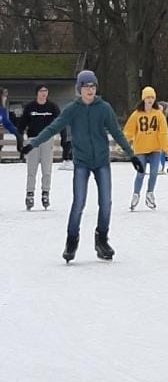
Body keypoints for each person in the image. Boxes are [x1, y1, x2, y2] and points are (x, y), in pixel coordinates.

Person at [21, 70, 144, 263]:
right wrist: (33, 143)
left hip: (102, 161)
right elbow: (53, 127)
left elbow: (117, 133)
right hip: (82, 162)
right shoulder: (72, 109)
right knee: (79, 202)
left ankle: (101, 240)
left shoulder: (104, 108)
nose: (90, 90)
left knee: (106, 202)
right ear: (80, 89)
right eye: (86, 86)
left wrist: (132, 156)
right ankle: (71, 242)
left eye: (93, 86)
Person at [123, 86, 168, 210]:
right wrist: (122, 144)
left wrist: (167, 149)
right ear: (143, 99)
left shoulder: (159, 115)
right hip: (141, 149)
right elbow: (129, 131)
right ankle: (136, 195)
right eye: (148, 97)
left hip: (155, 148)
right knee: (141, 173)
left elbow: (163, 133)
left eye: (152, 97)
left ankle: (150, 194)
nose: (150, 100)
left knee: (154, 173)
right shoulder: (136, 115)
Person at [18, 84, 61, 210]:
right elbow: (22, 125)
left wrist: (64, 137)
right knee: (31, 170)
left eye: (46, 91)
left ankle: (45, 193)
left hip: (47, 140)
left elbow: (60, 121)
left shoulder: (52, 107)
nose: (44, 93)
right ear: (37, 93)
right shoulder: (30, 107)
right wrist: (20, 142)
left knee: (46, 169)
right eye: (41, 91)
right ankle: (30, 194)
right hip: (33, 140)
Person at [0, 86, 20, 163]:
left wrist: (17, 133)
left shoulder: (2, 110)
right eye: (4, 96)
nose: (5, 99)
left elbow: (6, 123)